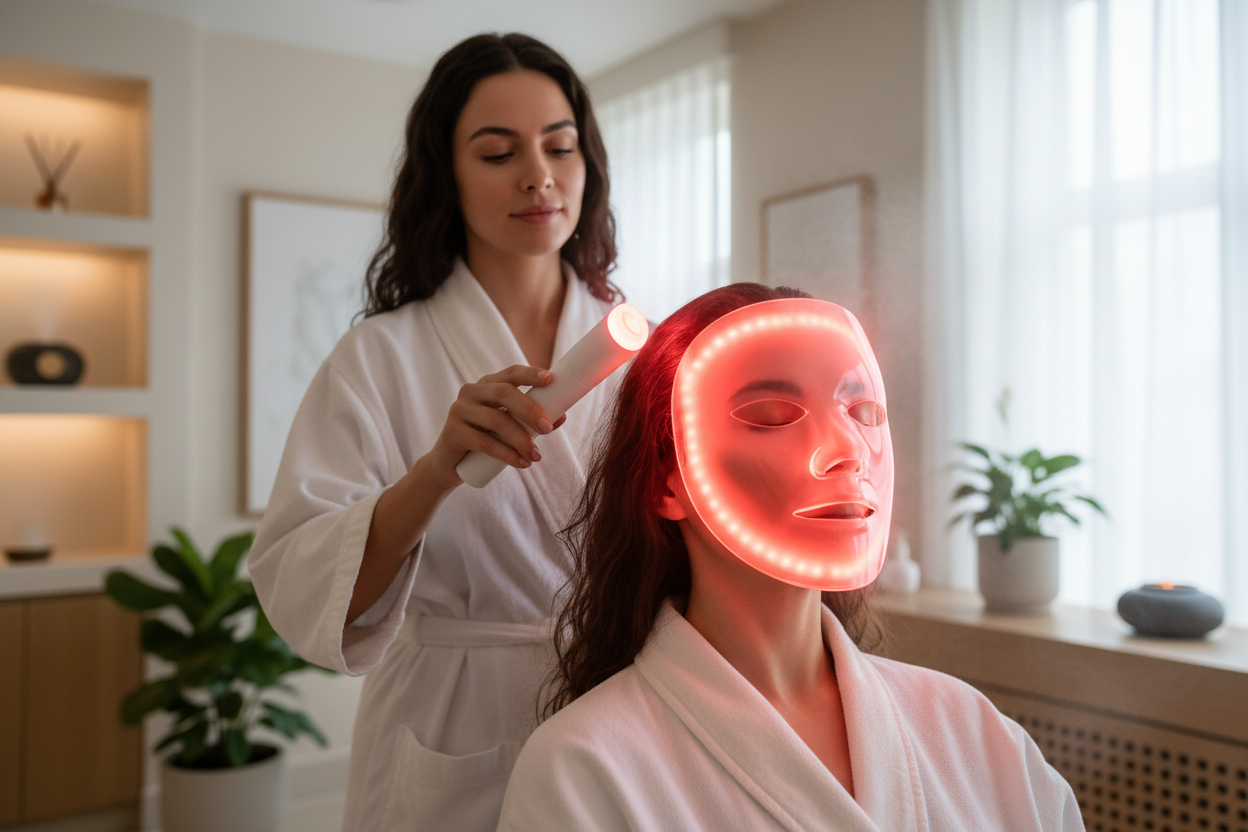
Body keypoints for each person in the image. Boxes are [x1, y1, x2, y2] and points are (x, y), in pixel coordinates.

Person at [496, 284, 1085, 831]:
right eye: (772, 417)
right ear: (666, 482)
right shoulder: (581, 770)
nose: (847, 452)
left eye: (862, 414)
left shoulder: (976, 733)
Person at [248, 33, 622, 832]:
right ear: (444, 174)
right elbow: (305, 582)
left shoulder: (630, 345)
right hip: (452, 717)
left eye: (561, 146)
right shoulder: (380, 356)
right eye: (497, 153)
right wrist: (437, 470)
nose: (539, 176)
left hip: (614, 703)